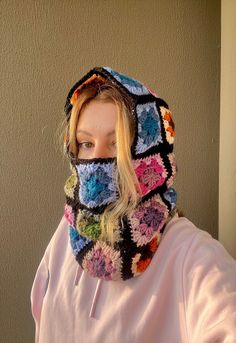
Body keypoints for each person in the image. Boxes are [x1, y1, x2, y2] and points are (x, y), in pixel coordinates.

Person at [31, 67, 236, 342]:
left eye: (118, 144)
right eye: (86, 143)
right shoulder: (66, 236)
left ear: (150, 152)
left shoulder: (192, 257)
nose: (95, 160)